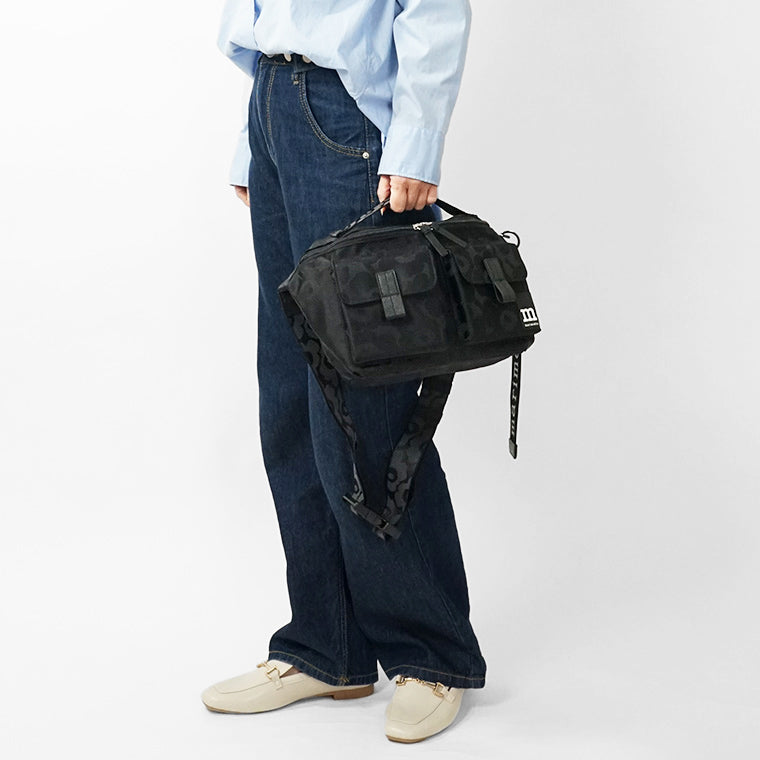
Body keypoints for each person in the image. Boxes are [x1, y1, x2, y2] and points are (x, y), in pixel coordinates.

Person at [202, 0, 485, 743]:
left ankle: (433, 654)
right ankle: (327, 646)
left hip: (343, 116)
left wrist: (416, 140)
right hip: (275, 101)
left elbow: (431, 9)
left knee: (365, 408)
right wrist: (253, 138)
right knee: (290, 399)